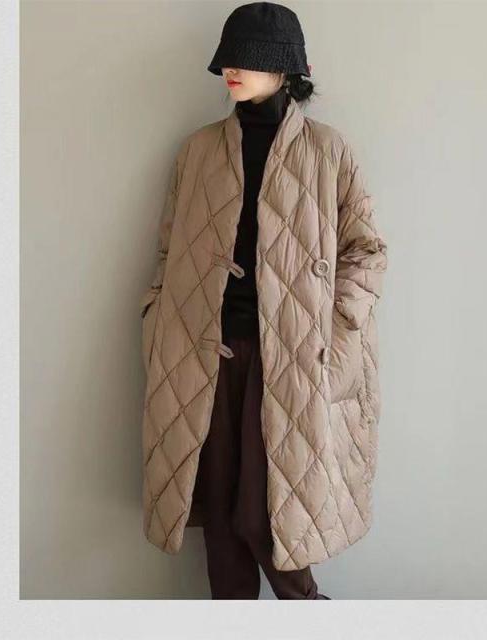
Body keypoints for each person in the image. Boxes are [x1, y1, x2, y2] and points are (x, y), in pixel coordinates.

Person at [140, 2, 388, 600]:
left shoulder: (329, 151)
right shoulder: (197, 150)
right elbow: (170, 248)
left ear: (284, 68)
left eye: (247, 58)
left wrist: (338, 322)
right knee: (220, 516)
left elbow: (368, 250)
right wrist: (156, 314)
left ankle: (308, 607)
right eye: (228, 57)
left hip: (294, 355)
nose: (231, 69)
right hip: (204, 350)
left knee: (263, 517)